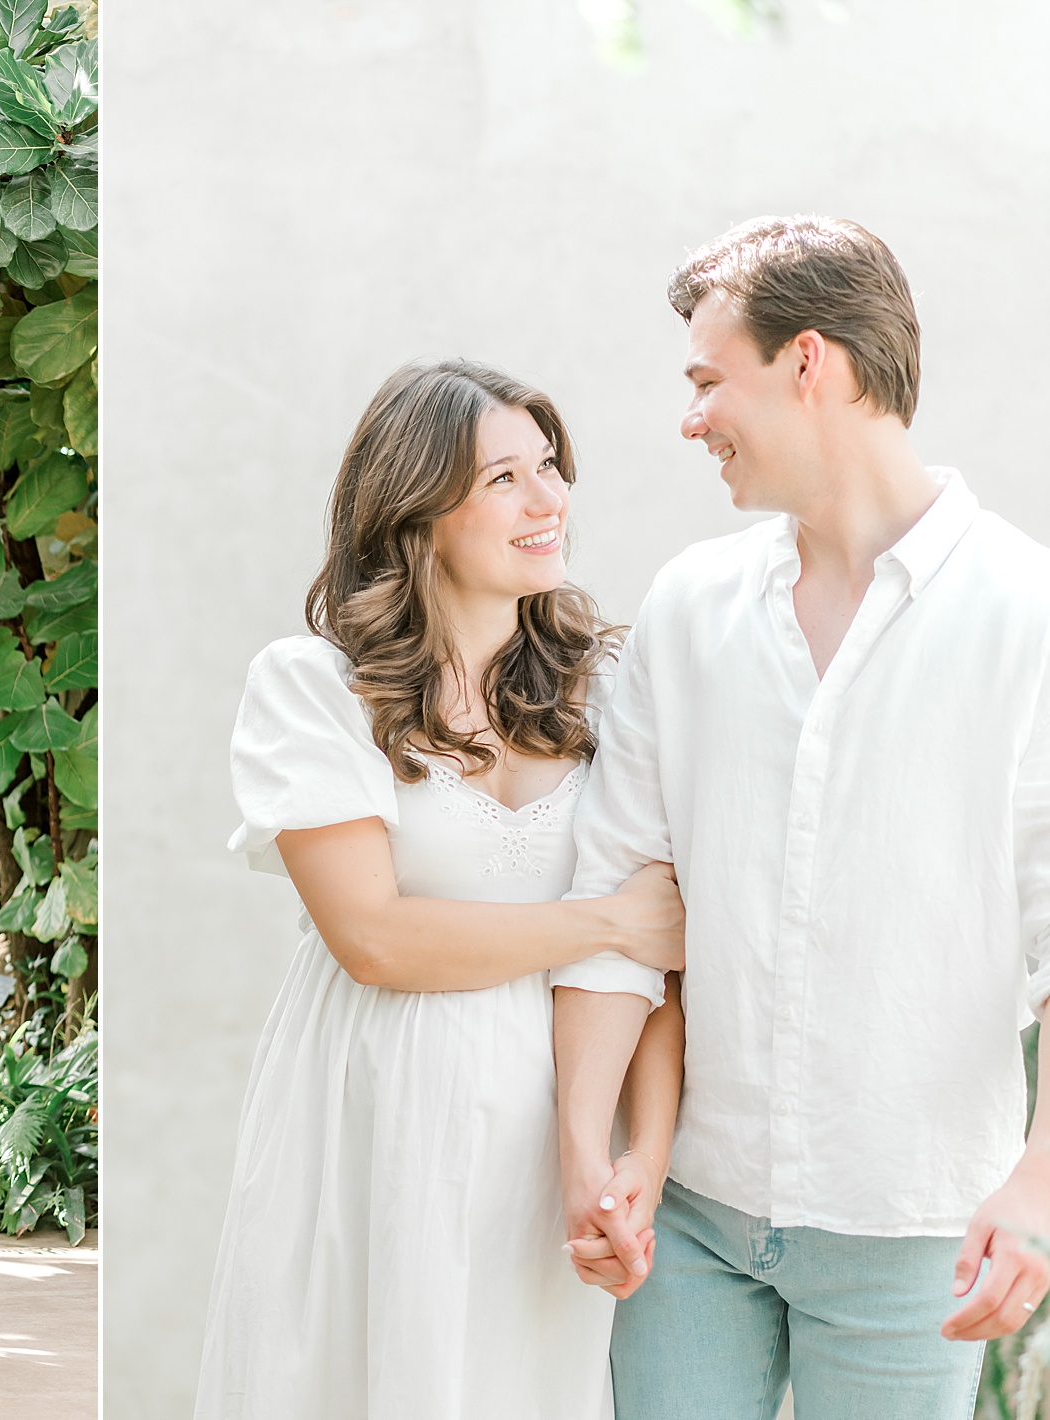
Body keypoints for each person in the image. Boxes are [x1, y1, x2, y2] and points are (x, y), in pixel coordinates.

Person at [552, 216, 1050, 1419]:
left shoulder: (1025, 615)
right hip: (688, 1224)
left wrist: (1037, 1188)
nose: (689, 418)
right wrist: (592, 1156)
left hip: (911, 1229)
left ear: (810, 362)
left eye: (707, 379)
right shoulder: (689, 605)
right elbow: (621, 910)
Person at [194, 359, 687, 1420]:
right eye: (503, 477)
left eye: (548, 466)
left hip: (556, 1125)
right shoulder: (314, 687)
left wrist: (637, 1158)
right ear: (415, 511)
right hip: (373, 1112)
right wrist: (602, 918)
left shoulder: (611, 687)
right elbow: (373, 937)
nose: (547, 498)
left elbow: (655, 966)